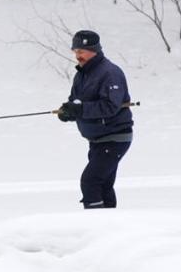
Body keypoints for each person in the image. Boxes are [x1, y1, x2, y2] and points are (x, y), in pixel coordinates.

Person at [56, 29, 133, 209]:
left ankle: (95, 223)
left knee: (90, 182)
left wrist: (80, 109)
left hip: (115, 137)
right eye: (75, 51)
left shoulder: (110, 73)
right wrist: (68, 111)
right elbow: (76, 101)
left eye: (81, 51)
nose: (77, 56)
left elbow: (110, 106)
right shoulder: (82, 73)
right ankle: (109, 226)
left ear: (94, 50)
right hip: (97, 139)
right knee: (103, 184)